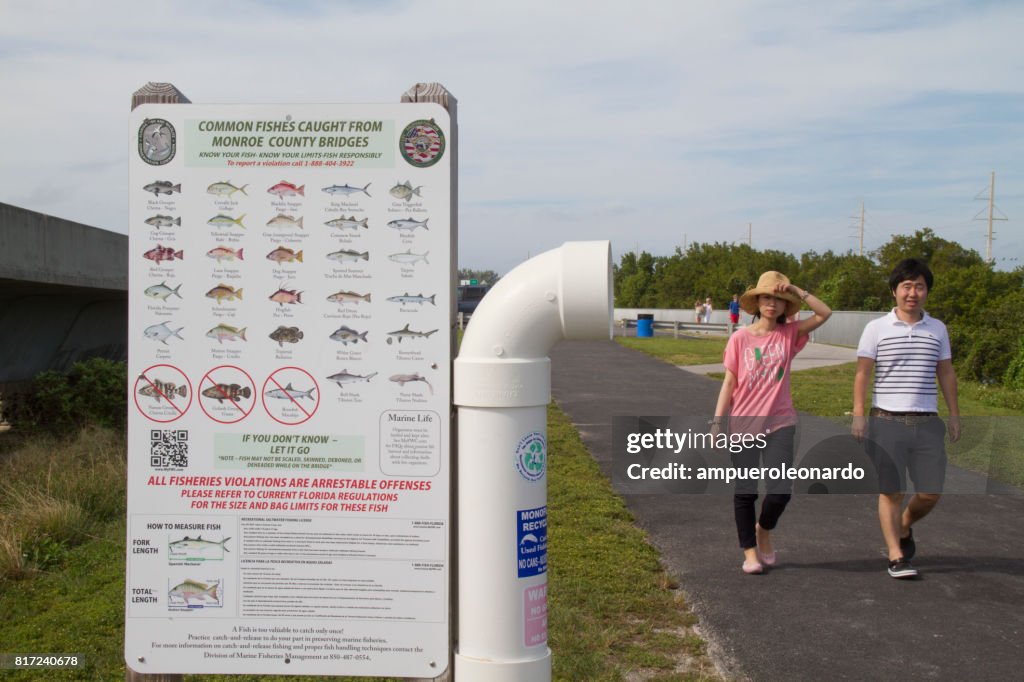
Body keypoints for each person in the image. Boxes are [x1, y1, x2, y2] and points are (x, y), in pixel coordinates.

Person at [711, 271, 832, 574]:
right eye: (767, 297)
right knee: (746, 492)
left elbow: (825, 313)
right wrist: (716, 423)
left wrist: (795, 289)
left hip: (780, 423)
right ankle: (749, 552)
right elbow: (729, 383)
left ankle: (763, 529)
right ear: (757, 302)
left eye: (779, 299)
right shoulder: (739, 338)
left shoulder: (790, 334)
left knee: (779, 492)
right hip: (743, 425)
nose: (773, 303)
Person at [852, 258, 961, 580]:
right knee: (891, 492)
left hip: (927, 421)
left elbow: (946, 372)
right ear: (894, 291)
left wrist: (955, 414)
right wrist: (858, 415)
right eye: (906, 286)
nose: (913, 293)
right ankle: (896, 555)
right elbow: (862, 373)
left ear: (927, 291)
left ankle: (903, 525)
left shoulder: (937, 328)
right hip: (886, 420)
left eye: (919, 286)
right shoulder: (876, 328)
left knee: (930, 492)